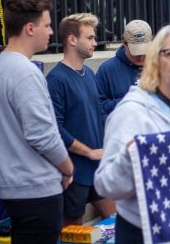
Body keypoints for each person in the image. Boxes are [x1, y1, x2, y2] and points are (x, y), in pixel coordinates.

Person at [94, 23, 170, 243]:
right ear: (155, 60)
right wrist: (128, 158)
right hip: (144, 232)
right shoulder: (132, 112)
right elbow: (105, 185)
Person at [0, 0, 74, 244]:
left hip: (16, 185)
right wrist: (67, 167)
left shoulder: (1, 66)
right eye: (46, 25)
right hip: (35, 188)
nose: (50, 31)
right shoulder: (24, 72)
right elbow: (42, 135)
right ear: (29, 28)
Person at [47, 13, 115, 225]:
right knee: (73, 235)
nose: (95, 42)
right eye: (90, 37)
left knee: (118, 222)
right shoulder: (56, 80)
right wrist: (88, 152)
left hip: (98, 168)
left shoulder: (89, 74)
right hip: (73, 173)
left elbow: (97, 116)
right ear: (72, 39)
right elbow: (55, 129)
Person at [96, 20, 153, 115]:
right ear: (125, 44)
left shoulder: (160, 66)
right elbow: (98, 106)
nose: (141, 55)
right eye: (136, 51)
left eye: (145, 50)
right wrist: (129, 101)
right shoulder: (107, 70)